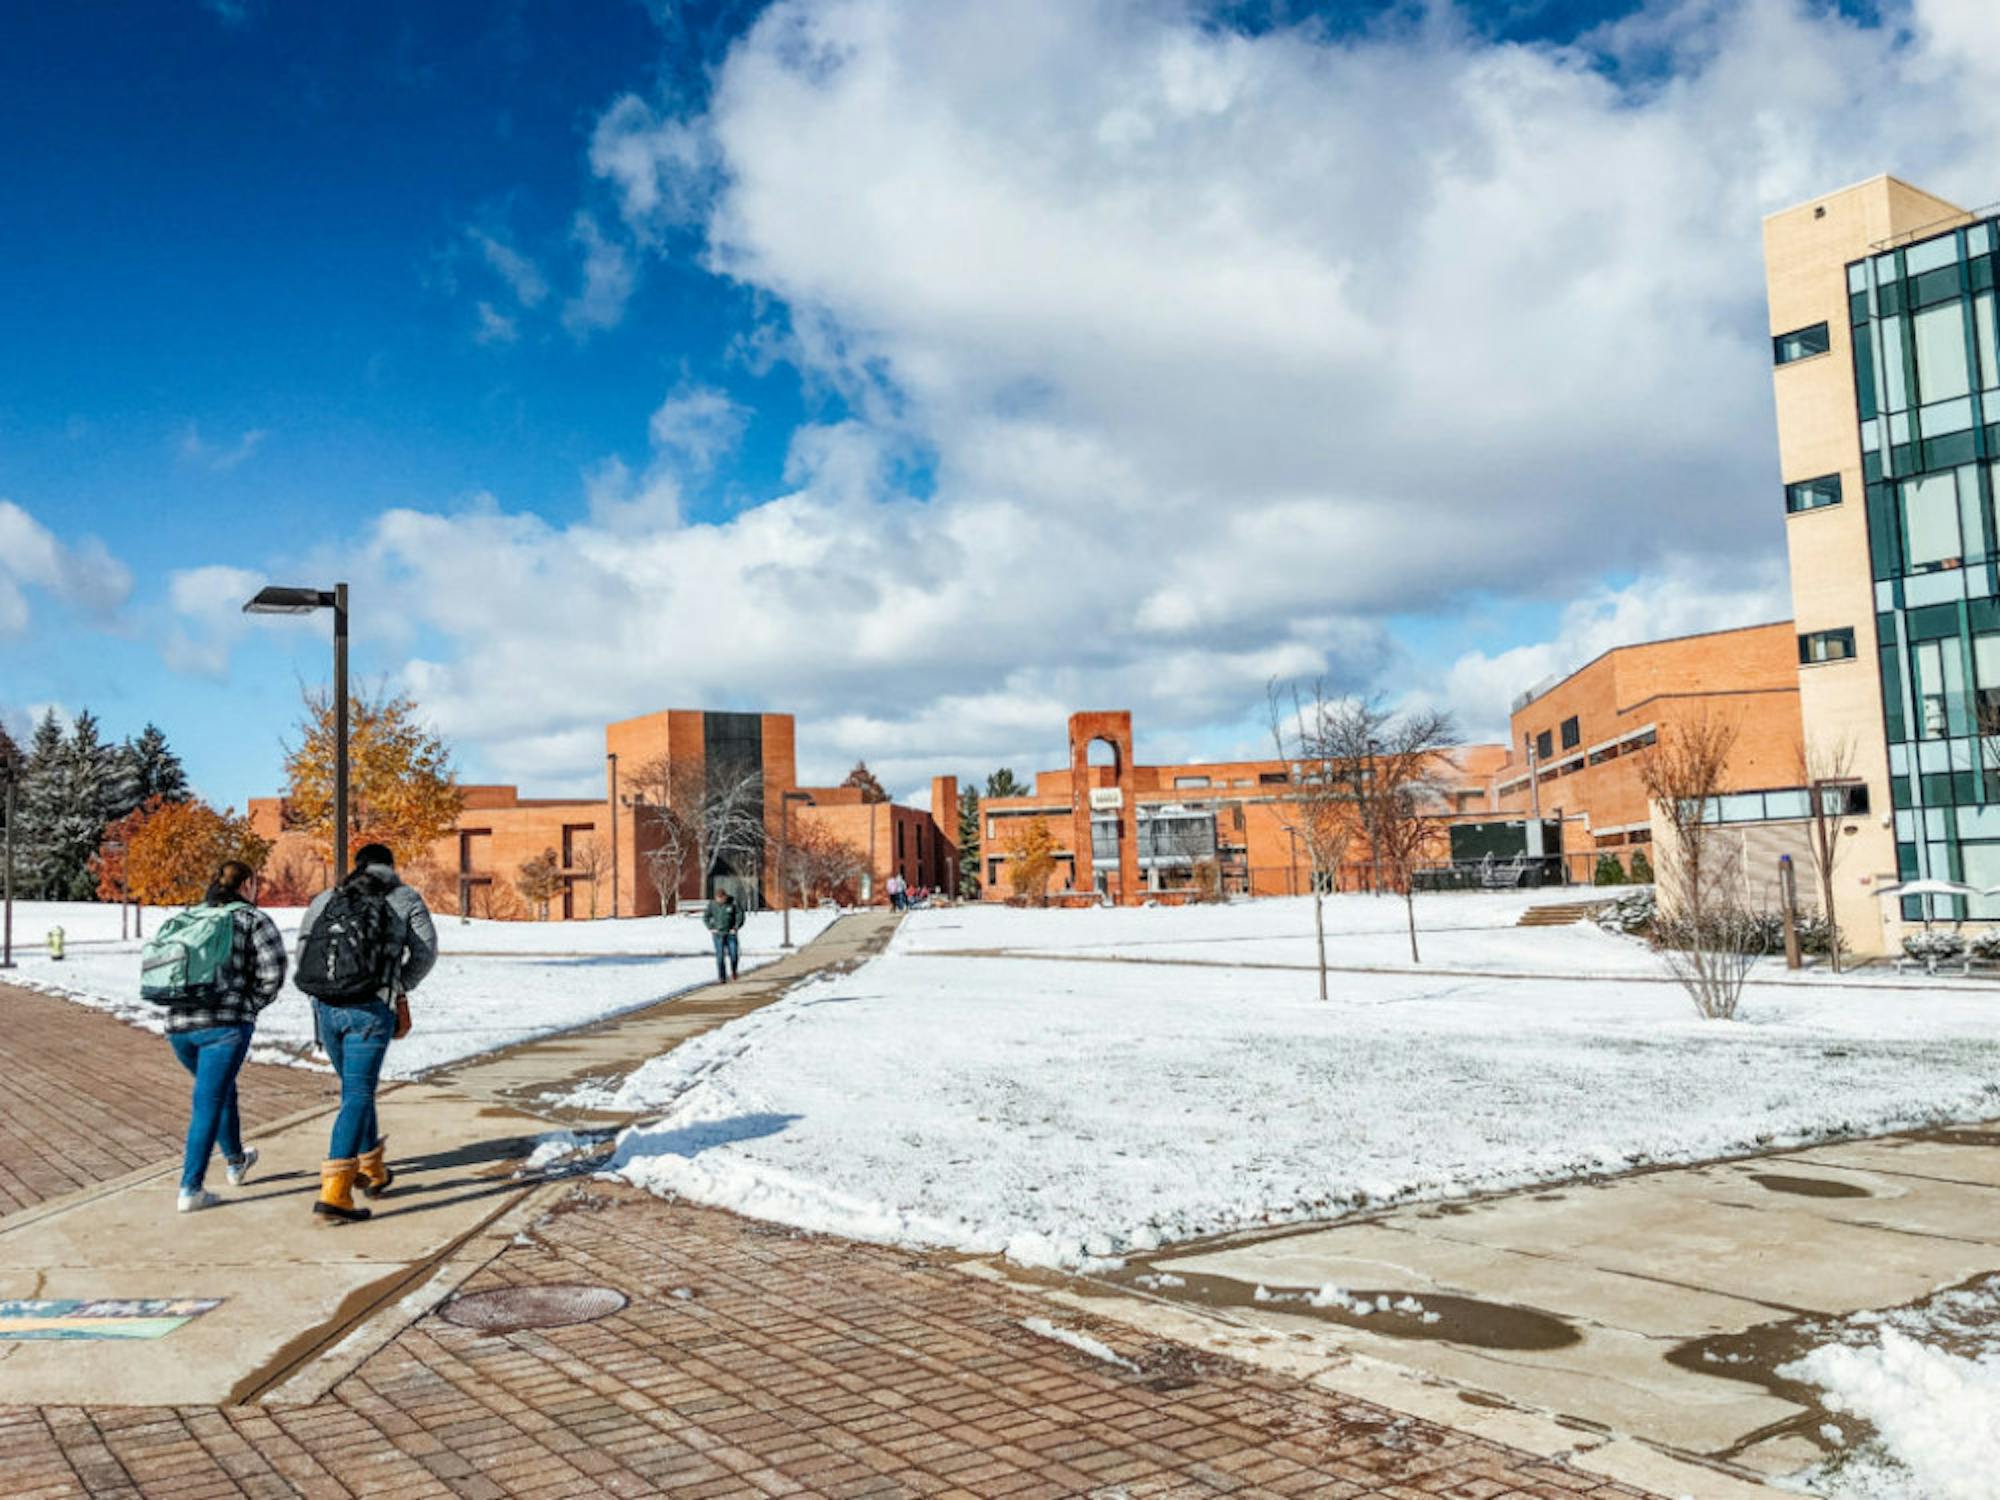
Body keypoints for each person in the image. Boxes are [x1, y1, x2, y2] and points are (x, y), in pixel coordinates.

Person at [296, 843, 438, 1224]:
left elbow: (304, 950)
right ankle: (336, 1192)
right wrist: (395, 986)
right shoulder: (405, 897)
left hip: (327, 1009)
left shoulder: (328, 897)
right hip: (370, 1011)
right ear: (391, 866)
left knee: (355, 1092)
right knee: (357, 1094)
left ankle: (373, 1170)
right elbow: (426, 952)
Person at [163, 861, 288, 1213]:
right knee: (208, 1102)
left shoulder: (190, 917)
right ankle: (191, 1189)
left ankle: (236, 1160)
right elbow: (273, 970)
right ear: (247, 884)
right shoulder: (252, 919)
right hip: (224, 1028)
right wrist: (249, 1005)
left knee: (220, 1091)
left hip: (179, 1027)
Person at [704, 884, 744, 981]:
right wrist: (711, 927)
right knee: (720, 956)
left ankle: (734, 971)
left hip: (731, 933)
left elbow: (740, 915)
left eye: (722, 898)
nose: (721, 900)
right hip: (718, 934)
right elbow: (706, 917)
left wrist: (736, 927)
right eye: (718, 898)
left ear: (725, 896)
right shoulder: (712, 905)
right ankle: (722, 976)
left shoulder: (732, 903)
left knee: (734, 954)